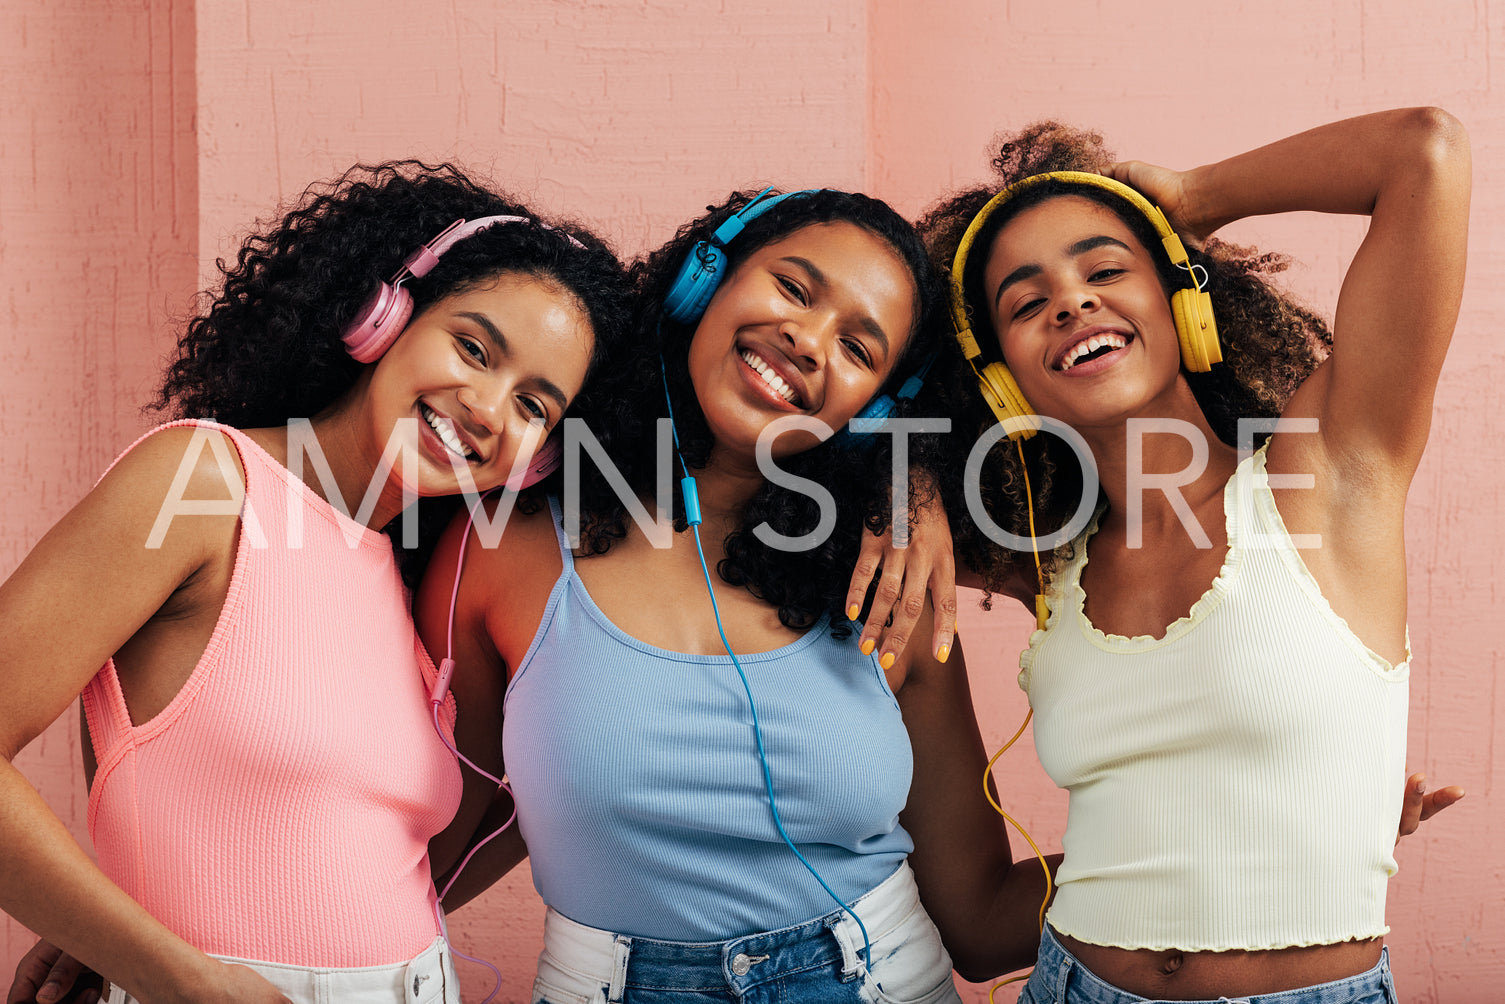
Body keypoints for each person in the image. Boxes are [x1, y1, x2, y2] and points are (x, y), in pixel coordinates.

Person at [0, 160, 633, 1004]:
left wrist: (111, 924)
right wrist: (164, 965)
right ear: (383, 318)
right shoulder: (202, 484)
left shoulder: (411, 577)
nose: (487, 407)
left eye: (533, 406)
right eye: (473, 348)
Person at [413, 186, 1051, 1004]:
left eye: (859, 348)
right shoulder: (500, 547)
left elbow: (979, 922)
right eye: (792, 288)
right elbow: (445, 838)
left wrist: (1228, 875)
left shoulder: (891, 579)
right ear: (703, 279)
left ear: (877, 406)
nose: (808, 340)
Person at [920, 108, 1470, 1001]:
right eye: (1024, 303)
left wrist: (1184, 198)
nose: (1069, 301)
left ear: (1185, 301)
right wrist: (908, 494)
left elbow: (1423, 153)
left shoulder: (1325, 470)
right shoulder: (1045, 572)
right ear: (999, 379)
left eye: (1105, 269)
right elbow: (982, 932)